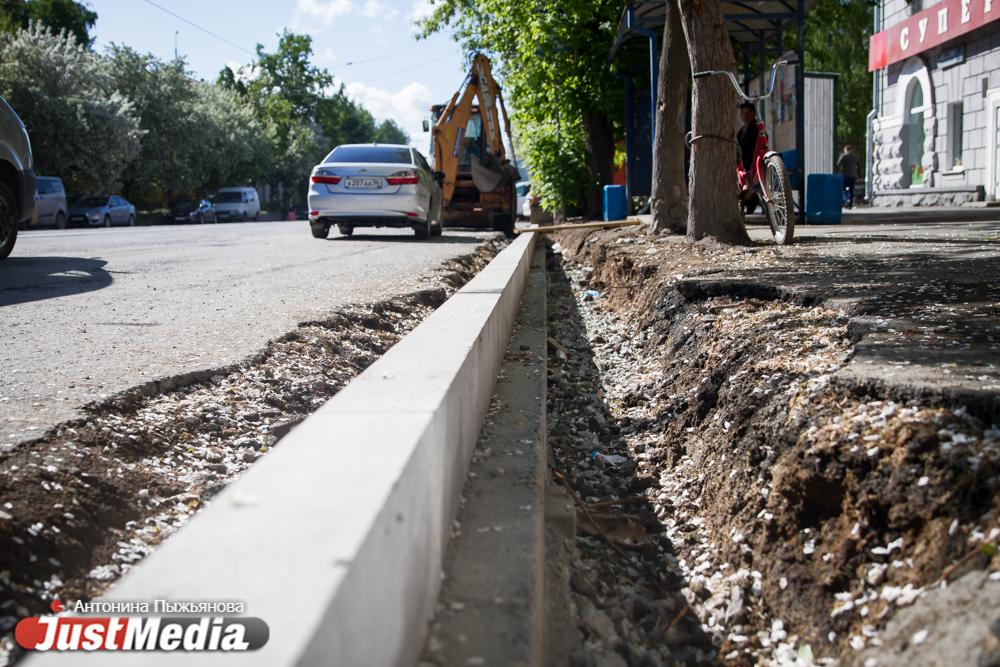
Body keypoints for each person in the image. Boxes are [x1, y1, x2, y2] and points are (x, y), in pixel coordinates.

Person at [736, 101, 768, 213]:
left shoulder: (757, 129)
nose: (745, 115)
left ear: (754, 113)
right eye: (743, 113)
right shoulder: (741, 131)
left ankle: (749, 195)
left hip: (755, 167)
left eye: (748, 112)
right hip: (743, 167)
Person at [837, 144, 859, 209]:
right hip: (853, 176)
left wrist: (840, 170)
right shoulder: (855, 157)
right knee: (851, 189)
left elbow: (838, 164)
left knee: (844, 189)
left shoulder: (843, 156)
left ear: (846, 150)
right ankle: (850, 204)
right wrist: (859, 174)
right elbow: (858, 166)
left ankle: (846, 200)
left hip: (845, 176)